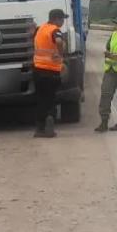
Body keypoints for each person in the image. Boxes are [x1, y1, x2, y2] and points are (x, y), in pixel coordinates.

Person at [33, 9, 67, 138]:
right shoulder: (55, 30)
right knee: (51, 99)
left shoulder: (40, 28)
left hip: (37, 69)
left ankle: (39, 129)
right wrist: (60, 53)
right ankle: (49, 128)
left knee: (41, 100)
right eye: (62, 19)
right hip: (51, 71)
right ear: (57, 19)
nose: (63, 22)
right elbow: (58, 41)